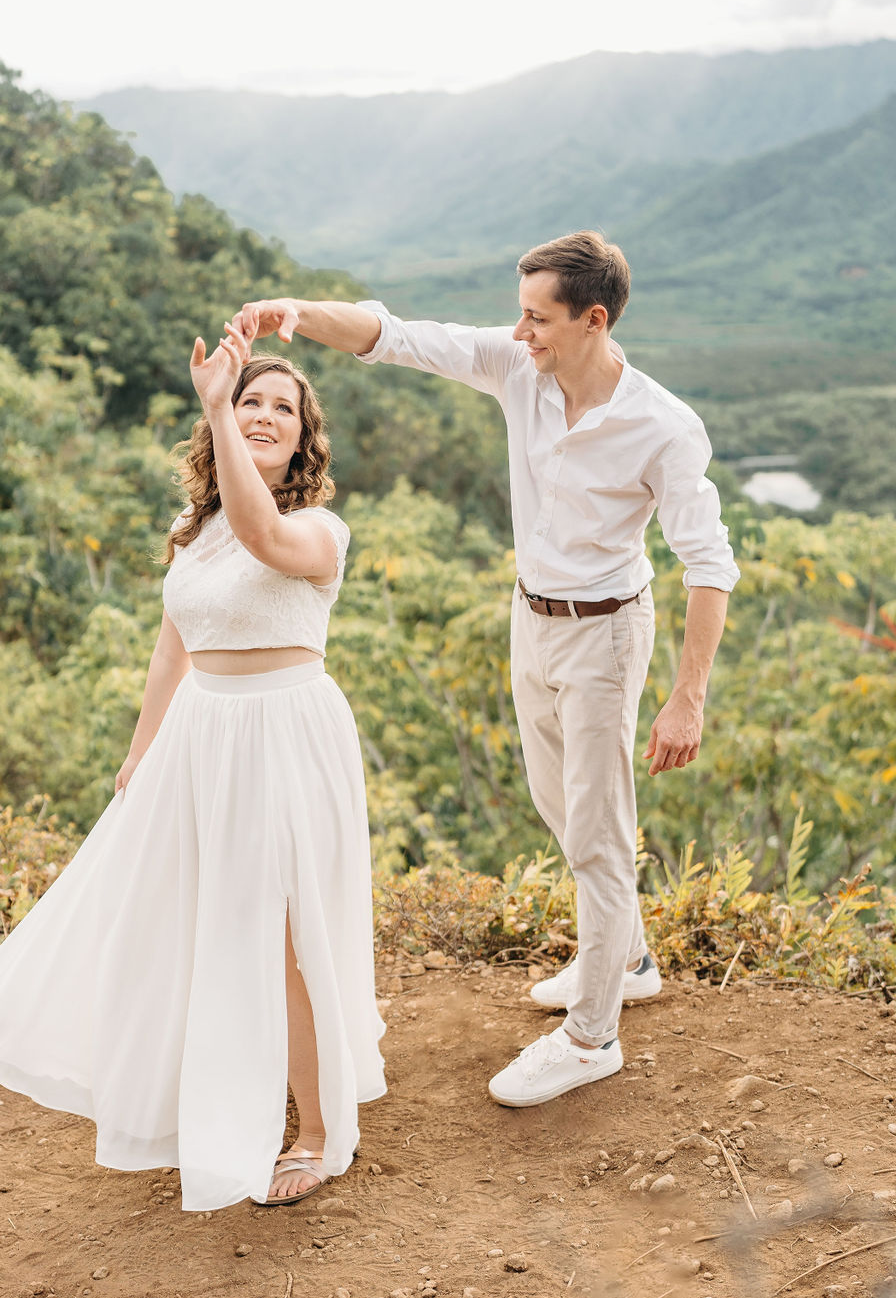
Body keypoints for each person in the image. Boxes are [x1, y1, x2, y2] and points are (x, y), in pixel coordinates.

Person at [234, 229, 740, 1108]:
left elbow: (710, 564)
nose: (521, 330)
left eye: (538, 318)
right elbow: (399, 336)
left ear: (593, 319)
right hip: (530, 618)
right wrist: (298, 315)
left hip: (607, 635)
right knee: (559, 805)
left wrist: (686, 698)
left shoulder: (662, 425)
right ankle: (627, 958)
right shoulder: (517, 368)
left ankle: (591, 1037)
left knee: (598, 832)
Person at [0, 322, 386, 1209]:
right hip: (201, 737)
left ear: (304, 437)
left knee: (292, 936)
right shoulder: (196, 528)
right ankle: (207, 1097)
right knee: (191, 919)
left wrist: (215, 406)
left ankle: (322, 1131)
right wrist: (140, 753)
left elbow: (263, 536)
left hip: (286, 733)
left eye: (280, 408)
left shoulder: (317, 528)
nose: (263, 415)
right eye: (250, 399)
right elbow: (168, 652)